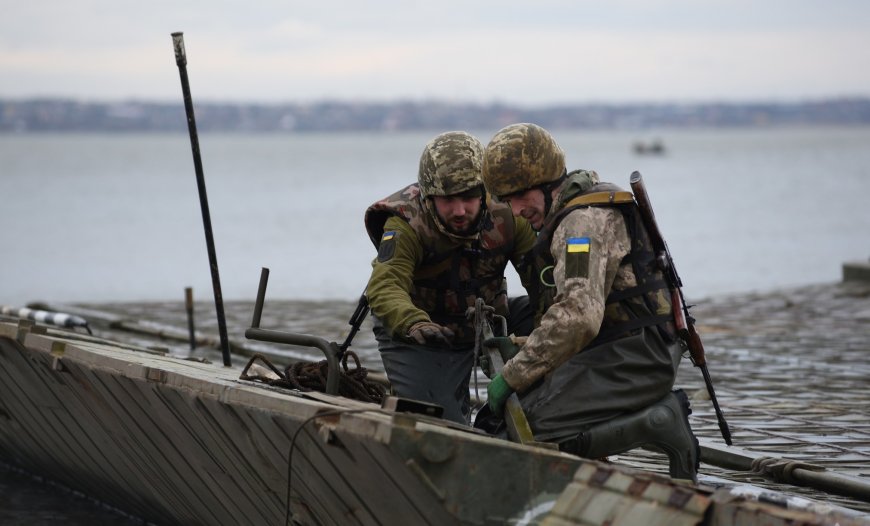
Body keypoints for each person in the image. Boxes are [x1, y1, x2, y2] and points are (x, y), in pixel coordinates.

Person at [478, 123, 699, 481]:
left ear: (547, 184)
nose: (515, 210)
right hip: (622, 350)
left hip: (635, 360)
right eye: (506, 200)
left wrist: (513, 375)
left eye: (519, 196)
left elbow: (579, 315)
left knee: (523, 426)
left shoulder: (580, 225)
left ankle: (658, 424)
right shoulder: (578, 209)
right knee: (506, 417)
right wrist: (521, 347)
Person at [364, 131, 536, 425]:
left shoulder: (508, 215)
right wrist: (412, 321)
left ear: (484, 191)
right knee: (436, 424)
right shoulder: (406, 224)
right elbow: (385, 286)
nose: (460, 211)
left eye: (469, 197)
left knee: (563, 322)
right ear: (429, 196)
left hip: (490, 323)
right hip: (421, 336)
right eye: (448, 200)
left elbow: (544, 278)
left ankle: (531, 421)